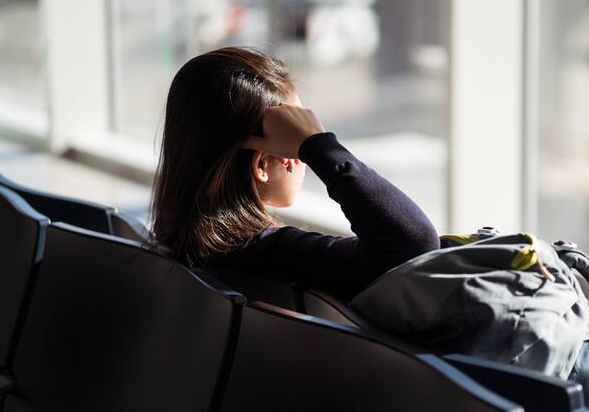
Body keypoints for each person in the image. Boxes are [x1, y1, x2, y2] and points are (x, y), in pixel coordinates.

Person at [150, 46, 439, 300]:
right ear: (263, 166)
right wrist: (320, 147)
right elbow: (414, 245)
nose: (300, 158)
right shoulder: (277, 258)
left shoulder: (170, 241)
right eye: (295, 147)